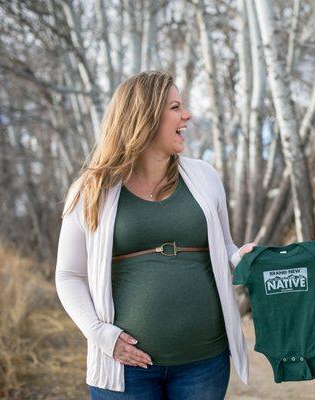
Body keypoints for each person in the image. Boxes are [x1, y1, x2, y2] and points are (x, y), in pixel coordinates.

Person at [55, 70, 251, 399]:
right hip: (125, 371)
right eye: (175, 107)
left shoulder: (204, 176)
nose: (186, 115)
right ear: (143, 117)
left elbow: (225, 246)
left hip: (203, 364)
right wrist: (100, 334)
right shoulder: (91, 190)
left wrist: (244, 258)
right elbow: (68, 274)